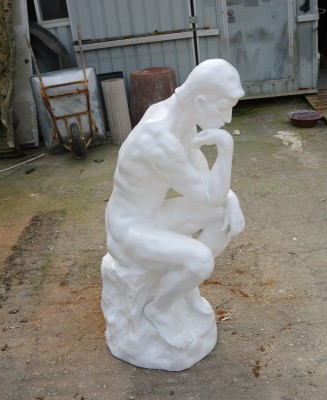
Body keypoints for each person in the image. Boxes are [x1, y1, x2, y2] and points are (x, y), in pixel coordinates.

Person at [105, 59, 245, 349]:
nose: (229, 118)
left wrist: (230, 197)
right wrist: (225, 148)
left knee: (223, 216)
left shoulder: (179, 119)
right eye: (224, 107)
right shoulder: (160, 139)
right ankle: (159, 309)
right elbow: (209, 193)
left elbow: (206, 182)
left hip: (152, 217)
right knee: (200, 259)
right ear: (200, 101)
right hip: (128, 232)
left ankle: (181, 284)